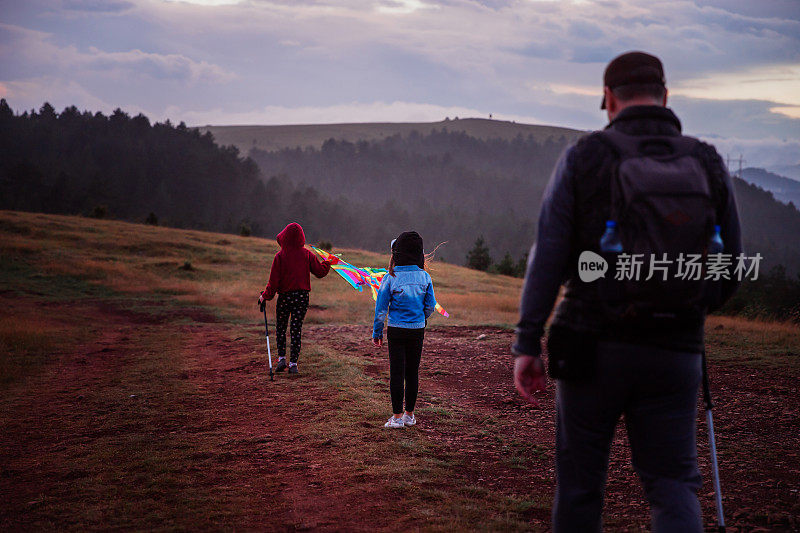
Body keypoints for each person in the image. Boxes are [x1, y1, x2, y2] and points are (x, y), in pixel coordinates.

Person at [512, 51, 742, 532]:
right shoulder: (705, 160)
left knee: (579, 488)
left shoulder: (585, 156)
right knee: (672, 483)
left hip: (590, 345)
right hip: (676, 350)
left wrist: (527, 342)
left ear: (609, 98)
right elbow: (729, 264)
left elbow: (549, 253)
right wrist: (689, 305)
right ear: (665, 95)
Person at [372, 231, 438, 428]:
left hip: (396, 331)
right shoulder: (425, 277)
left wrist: (377, 332)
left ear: (396, 254)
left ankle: (397, 418)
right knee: (412, 372)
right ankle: (410, 415)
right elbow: (430, 306)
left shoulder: (390, 277)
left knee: (397, 373)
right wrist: (421, 319)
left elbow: (381, 310)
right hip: (417, 330)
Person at [258, 222, 336, 374]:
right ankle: (293, 363)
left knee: (281, 327)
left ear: (285, 237)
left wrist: (264, 297)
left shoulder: (279, 257)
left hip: (285, 297)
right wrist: (327, 263)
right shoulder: (307, 254)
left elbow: (273, 284)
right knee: (296, 329)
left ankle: (281, 359)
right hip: (301, 297)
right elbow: (320, 272)